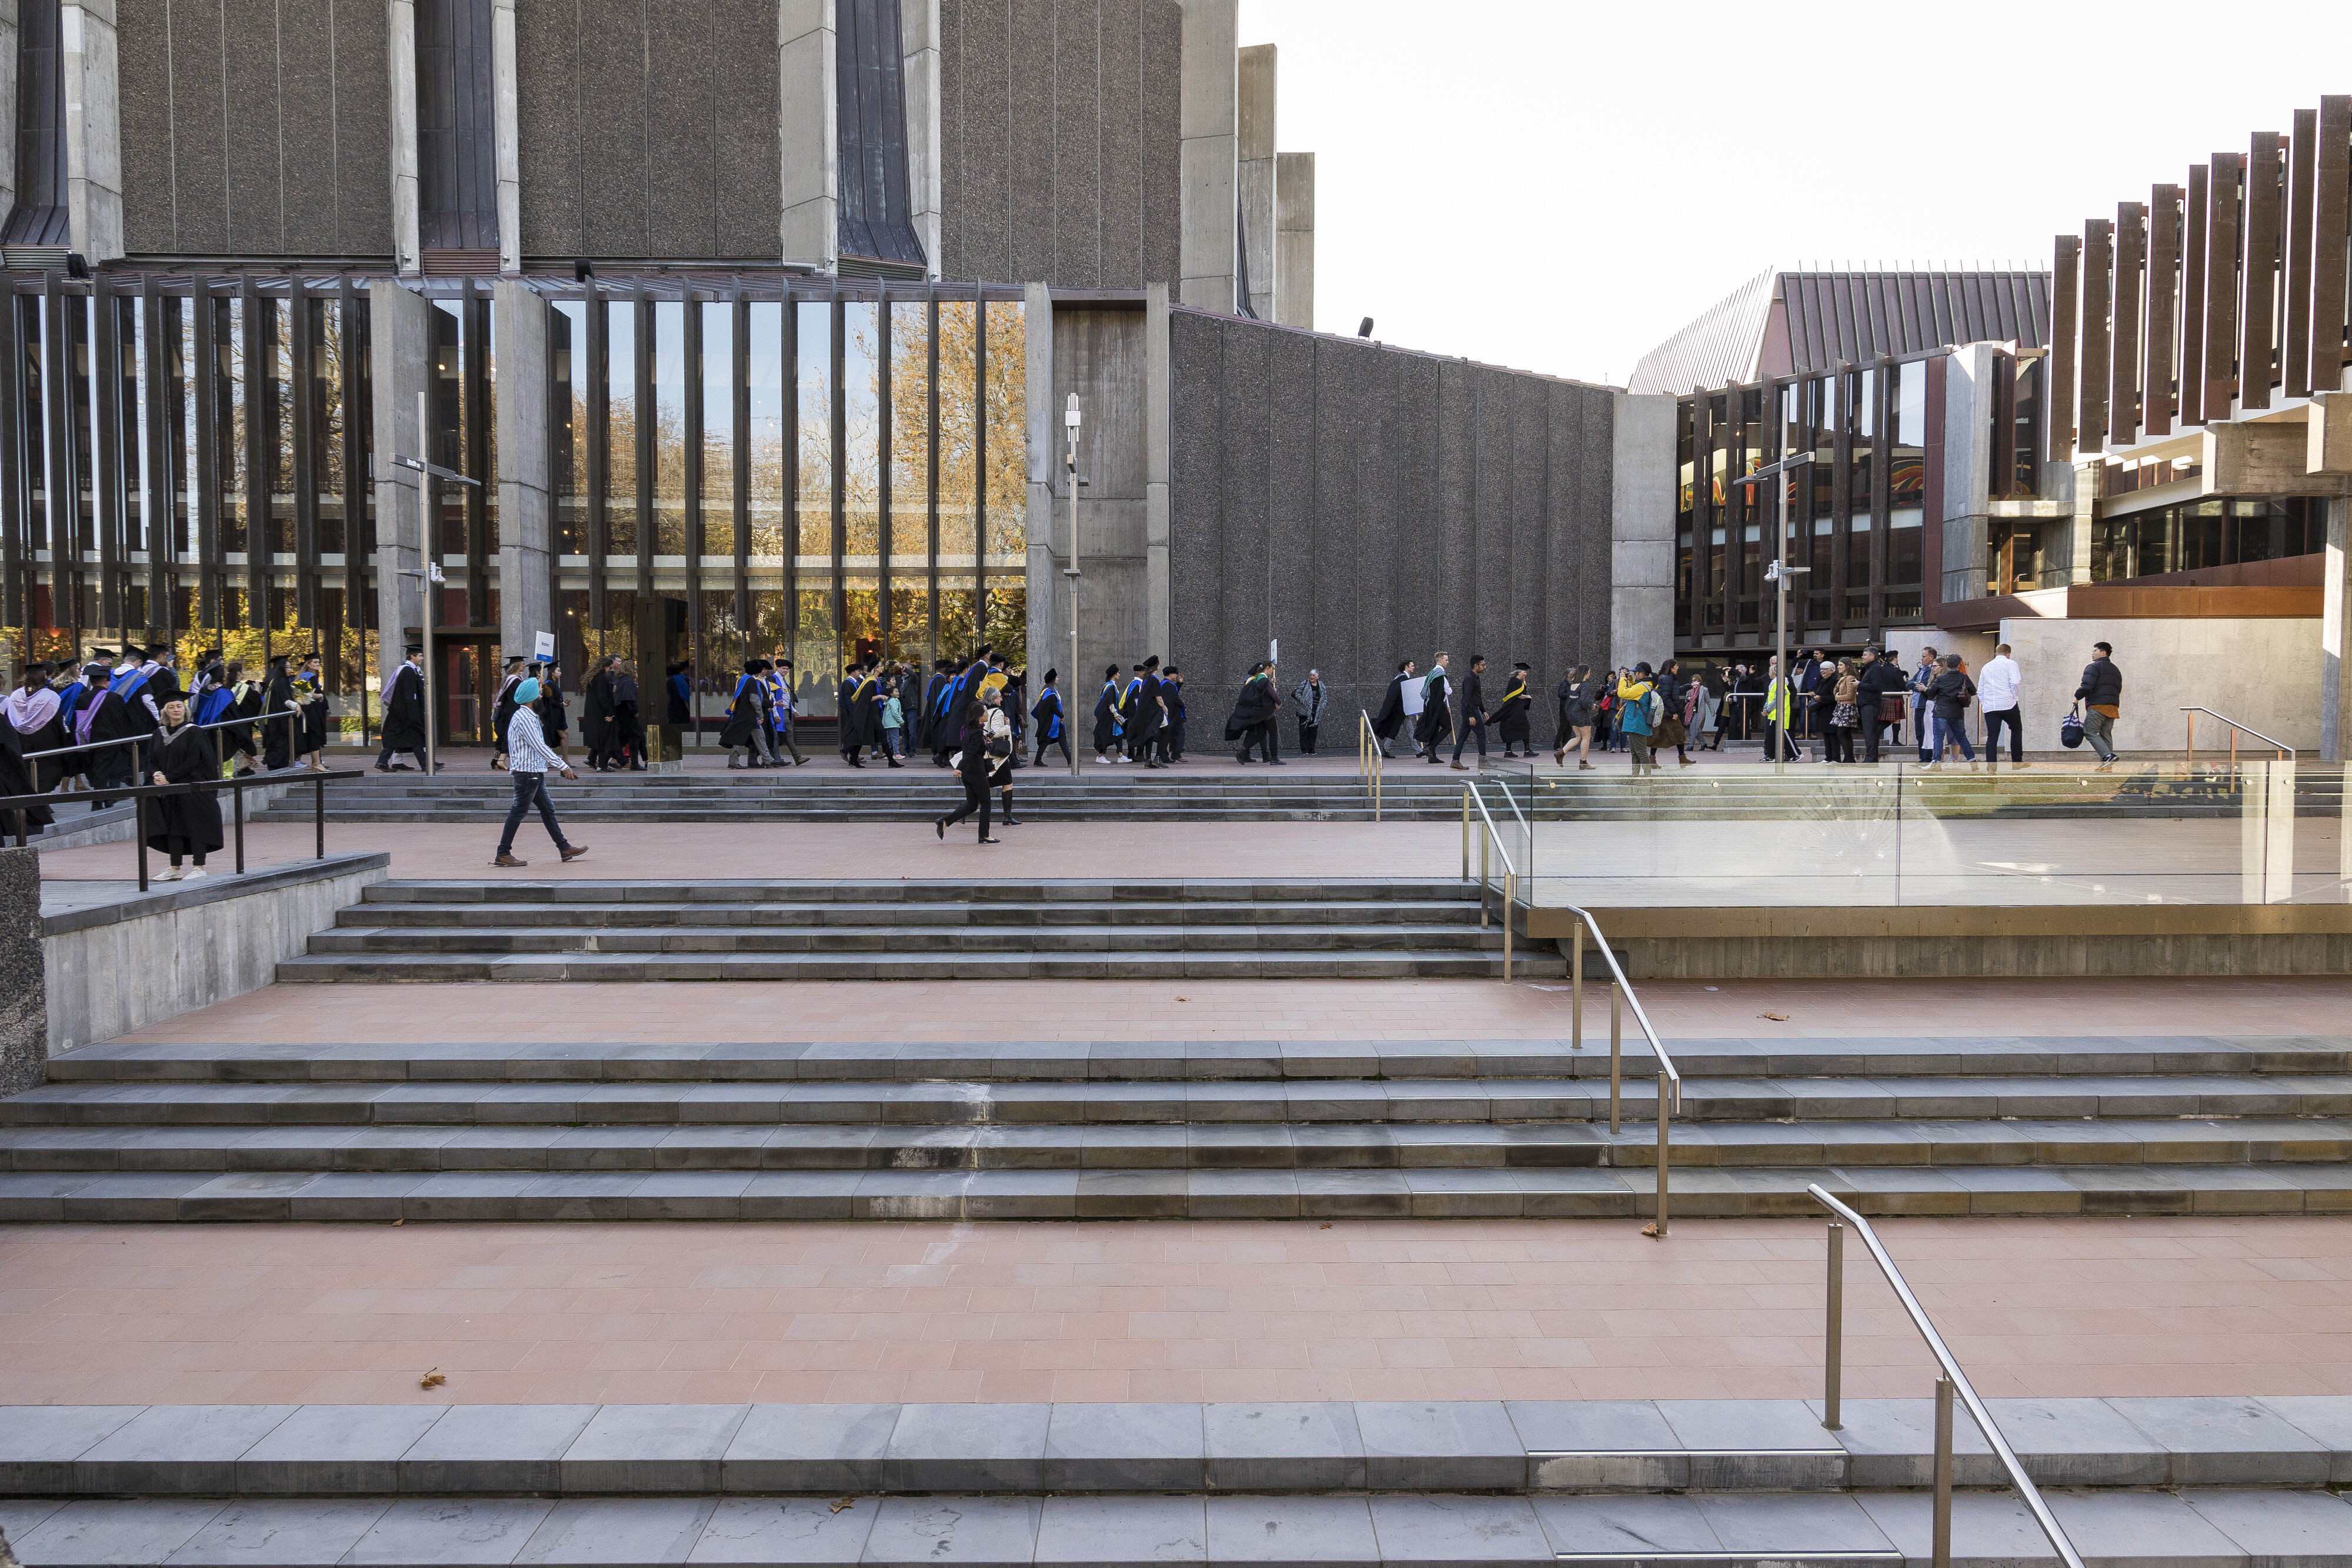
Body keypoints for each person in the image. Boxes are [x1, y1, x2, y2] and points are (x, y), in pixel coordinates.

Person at [492, 676, 588, 867]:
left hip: (532, 771)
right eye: (539, 693)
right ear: (532, 697)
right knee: (518, 811)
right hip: (528, 773)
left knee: (547, 810)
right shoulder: (525, 718)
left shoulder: (526, 716)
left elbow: (539, 747)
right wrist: (563, 766)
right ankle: (503, 853)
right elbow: (540, 746)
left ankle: (564, 847)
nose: (542, 695)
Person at [145, 699, 224, 882]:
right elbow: (150, 759)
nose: (175, 710)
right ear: (165, 711)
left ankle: (199, 867)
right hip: (169, 790)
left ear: (185, 710)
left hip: (192, 788)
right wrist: (156, 773)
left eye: (179, 706)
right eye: (171, 707)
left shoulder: (194, 731)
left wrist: (169, 778)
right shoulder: (159, 733)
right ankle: (175, 868)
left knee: (195, 826)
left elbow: (194, 759)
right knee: (174, 828)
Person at [935, 688, 1008, 844]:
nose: (987, 714)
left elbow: (972, 749)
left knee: (972, 805)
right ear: (979, 716)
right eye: (985, 713)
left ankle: (945, 822)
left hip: (969, 774)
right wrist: (959, 768)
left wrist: (986, 742)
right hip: (975, 772)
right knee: (986, 803)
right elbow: (969, 753)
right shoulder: (976, 733)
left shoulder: (970, 730)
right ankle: (984, 835)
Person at [378, 645, 432, 773]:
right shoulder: (407, 671)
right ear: (412, 656)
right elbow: (409, 695)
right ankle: (426, 765)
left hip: (404, 713)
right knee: (414, 738)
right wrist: (414, 714)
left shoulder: (410, 670)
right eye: (420, 656)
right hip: (406, 713)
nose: (422, 658)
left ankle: (384, 762)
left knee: (408, 738)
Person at [2074, 640, 2122, 771]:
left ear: (2103, 652)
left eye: (2095, 651)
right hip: (2112, 707)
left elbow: (2087, 685)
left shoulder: (2094, 667)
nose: (2093, 653)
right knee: (2106, 734)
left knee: (2089, 731)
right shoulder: (2116, 670)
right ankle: (2106, 766)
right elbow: (2118, 688)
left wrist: (2077, 697)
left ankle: (2107, 756)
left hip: (2098, 706)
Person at [1924, 654, 1977, 768]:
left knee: (1938, 737)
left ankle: (1936, 762)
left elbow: (1930, 693)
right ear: (1959, 665)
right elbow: (1973, 691)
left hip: (1941, 712)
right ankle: (1972, 761)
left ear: (1947, 665)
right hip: (1957, 712)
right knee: (1961, 737)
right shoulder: (1964, 678)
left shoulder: (1941, 678)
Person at [722, 659, 775, 768]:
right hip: (749, 715)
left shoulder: (743, 679)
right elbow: (754, 699)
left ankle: (768, 760)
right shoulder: (752, 681)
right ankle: (733, 761)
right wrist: (760, 714)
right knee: (740, 738)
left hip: (743, 713)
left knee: (759, 736)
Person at [1225, 662, 1283, 763]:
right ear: (1267, 668)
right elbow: (1272, 694)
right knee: (1273, 734)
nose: (1273, 671)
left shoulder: (1256, 679)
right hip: (1267, 712)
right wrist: (1279, 703)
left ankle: (1243, 752)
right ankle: (1274, 758)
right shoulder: (1264, 680)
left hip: (1259, 712)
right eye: (1272, 668)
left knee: (1261, 734)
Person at [1979, 643, 2025, 767]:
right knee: (2016, 729)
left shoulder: (1986, 667)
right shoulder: (2011, 664)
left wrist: (1984, 704)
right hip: (2008, 703)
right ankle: (2017, 762)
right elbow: (2015, 682)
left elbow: (1980, 689)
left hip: (1990, 706)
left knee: (1992, 736)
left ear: (1996, 653)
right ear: (2008, 654)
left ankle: (1992, 767)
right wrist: (2014, 698)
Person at [1450, 654, 1491, 770]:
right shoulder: (1470, 678)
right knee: (1481, 734)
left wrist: (1483, 710)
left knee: (1462, 737)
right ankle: (1483, 762)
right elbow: (1467, 697)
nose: (1485, 667)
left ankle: (1455, 761)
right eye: (1483, 665)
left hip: (1472, 709)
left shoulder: (1475, 677)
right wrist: (1471, 715)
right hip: (1470, 709)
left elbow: (1477, 696)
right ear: (1476, 666)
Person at [1615, 662, 1657, 772]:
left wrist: (1623, 679)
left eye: (1636, 673)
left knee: (1641, 752)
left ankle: (1647, 777)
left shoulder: (1641, 687)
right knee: (1635, 752)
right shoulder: (1645, 685)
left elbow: (1623, 694)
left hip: (1637, 723)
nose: (1635, 674)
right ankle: (1635, 776)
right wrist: (1630, 681)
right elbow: (1635, 693)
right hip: (1637, 722)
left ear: (1642, 673)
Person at [1554, 665, 1597, 769]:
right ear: (1586, 673)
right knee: (1586, 737)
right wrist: (1592, 706)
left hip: (1571, 714)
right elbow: (1583, 701)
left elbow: (1570, 700)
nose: (1590, 674)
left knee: (1579, 737)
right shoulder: (1585, 685)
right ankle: (1583, 762)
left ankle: (1561, 753)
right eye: (1589, 672)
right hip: (1581, 714)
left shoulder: (1573, 684)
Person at [1760, 656, 1800, 762]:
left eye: (1770, 672)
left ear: (1773, 673)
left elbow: (1777, 699)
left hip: (1778, 713)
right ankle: (1771, 756)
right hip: (1773, 714)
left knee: (1784, 735)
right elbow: (1771, 698)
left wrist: (1767, 709)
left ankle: (1796, 754)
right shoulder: (1775, 683)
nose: (1768, 674)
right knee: (1771, 736)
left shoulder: (1779, 683)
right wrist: (1766, 708)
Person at [489, 655, 526, 770]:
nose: (524, 665)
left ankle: (496, 761)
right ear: (518, 665)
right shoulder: (514, 680)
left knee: (503, 737)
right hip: (512, 712)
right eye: (523, 664)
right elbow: (521, 695)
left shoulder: (511, 679)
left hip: (507, 711)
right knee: (509, 736)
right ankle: (501, 761)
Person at [295, 652, 332, 770]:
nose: (318, 664)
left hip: (309, 710)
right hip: (312, 712)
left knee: (311, 736)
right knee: (315, 735)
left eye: (318, 662)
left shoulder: (302, 676)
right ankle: (317, 764)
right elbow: (307, 693)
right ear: (309, 664)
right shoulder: (309, 676)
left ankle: (315, 764)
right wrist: (320, 696)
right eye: (315, 662)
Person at [1370, 660, 1414, 759]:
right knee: (1399, 730)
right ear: (1406, 667)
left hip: (1399, 710)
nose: (1414, 667)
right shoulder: (1403, 678)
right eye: (1412, 666)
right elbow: (1402, 695)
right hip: (1400, 710)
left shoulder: (1399, 677)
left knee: (1407, 729)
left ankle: (1418, 751)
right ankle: (1385, 750)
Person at [580, 655, 617, 770]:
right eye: (610, 668)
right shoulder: (601, 678)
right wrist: (610, 712)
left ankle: (592, 759)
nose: (610, 670)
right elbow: (603, 697)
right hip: (600, 713)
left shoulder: (594, 678)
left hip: (593, 713)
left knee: (599, 738)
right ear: (605, 667)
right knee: (602, 739)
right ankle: (602, 765)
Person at [769, 658, 808, 765]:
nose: (785, 671)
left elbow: (786, 697)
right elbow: (771, 697)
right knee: (786, 735)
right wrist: (776, 713)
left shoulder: (783, 680)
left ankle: (778, 758)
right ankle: (796, 757)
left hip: (785, 710)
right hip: (779, 711)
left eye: (787, 669)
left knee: (784, 735)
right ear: (778, 668)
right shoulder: (773, 679)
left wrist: (793, 709)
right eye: (783, 669)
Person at [1415, 653, 1453, 763]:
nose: (1448, 662)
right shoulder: (1441, 674)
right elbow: (1448, 690)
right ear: (1440, 660)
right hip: (1439, 706)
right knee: (1448, 727)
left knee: (1435, 728)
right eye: (1446, 660)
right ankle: (1430, 747)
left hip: (1430, 704)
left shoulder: (1432, 673)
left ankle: (1432, 757)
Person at [1654, 659, 1692, 766]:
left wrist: (1689, 686)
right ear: (1671, 668)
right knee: (1679, 733)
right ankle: (1682, 758)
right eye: (1676, 666)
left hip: (1665, 712)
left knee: (1659, 734)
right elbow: (1666, 697)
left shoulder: (1666, 678)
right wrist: (1674, 712)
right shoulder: (1667, 678)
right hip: (1668, 713)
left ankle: (1652, 759)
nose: (1678, 668)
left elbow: (1673, 692)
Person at [1032, 669, 1072, 768]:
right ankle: (1037, 761)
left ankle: (1070, 760)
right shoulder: (1049, 692)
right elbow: (1053, 707)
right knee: (1048, 740)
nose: (1058, 679)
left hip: (1054, 722)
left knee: (1061, 739)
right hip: (1052, 722)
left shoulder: (1049, 691)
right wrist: (1061, 715)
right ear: (1053, 679)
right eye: (1057, 677)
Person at [610, 660, 645, 769]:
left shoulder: (618, 680)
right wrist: (636, 712)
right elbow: (629, 699)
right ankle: (634, 763)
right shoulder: (628, 681)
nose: (636, 672)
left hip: (620, 714)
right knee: (636, 737)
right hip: (629, 715)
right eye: (635, 670)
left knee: (622, 739)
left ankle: (607, 760)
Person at [1494, 663, 1532, 759]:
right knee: (1525, 728)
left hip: (1513, 710)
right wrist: (1528, 697)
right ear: (1519, 672)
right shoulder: (1515, 681)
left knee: (1510, 729)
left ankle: (1509, 751)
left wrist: (1524, 682)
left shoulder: (1517, 681)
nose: (1526, 674)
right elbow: (1518, 695)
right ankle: (1527, 751)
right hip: (1515, 710)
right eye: (1525, 672)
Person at [1824, 659, 1859, 764]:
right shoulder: (1843, 678)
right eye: (1838, 665)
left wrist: (1838, 697)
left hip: (1848, 707)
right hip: (1842, 707)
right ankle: (1849, 758)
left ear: (1847, 666)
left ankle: (1849, 758)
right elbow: (1836, 691)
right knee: (1845, 733)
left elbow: (1850, 695)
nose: (1838, 667)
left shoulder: (1851, 678)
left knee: (1842, 733)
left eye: (1841, 665)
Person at [1292, 668, 1330, 755]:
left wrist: (1323, 705)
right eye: (1311, 675)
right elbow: (1297, 694)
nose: (1312, 677)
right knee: (1304, 731)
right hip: (1304, 711)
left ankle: (1312, 748)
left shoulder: (1321, 685)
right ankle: (1304, 749)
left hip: (1316, 711)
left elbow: (1324, 697)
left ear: (1317, 677)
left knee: (1313, 731)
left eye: (1314, 675)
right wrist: (1303, 700)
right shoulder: (1304, 684)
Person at [1092, 663, 1124, 763]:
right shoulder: (1110, 687)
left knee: (1119, 734)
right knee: (1105, 735)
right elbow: (1110, 702)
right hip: (1108, 716)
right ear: (1114, 674)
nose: (1120, 674)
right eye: (1118, 673)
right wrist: (1115, 714)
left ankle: (1120, 755)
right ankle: (1100, 756)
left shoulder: (1111, 686)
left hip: (1110, 715)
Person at [879, 678, 908, 766]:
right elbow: (895, 713)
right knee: (895, 739)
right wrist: (901, 721)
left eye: (898, 691)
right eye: (896, 692)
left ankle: (887, 753)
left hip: (888, 723)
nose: (898, 693)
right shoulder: (894, 701)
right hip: (893, 723)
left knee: (889, 739)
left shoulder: (889, 701)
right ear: (891, 694)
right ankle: (896, 753)